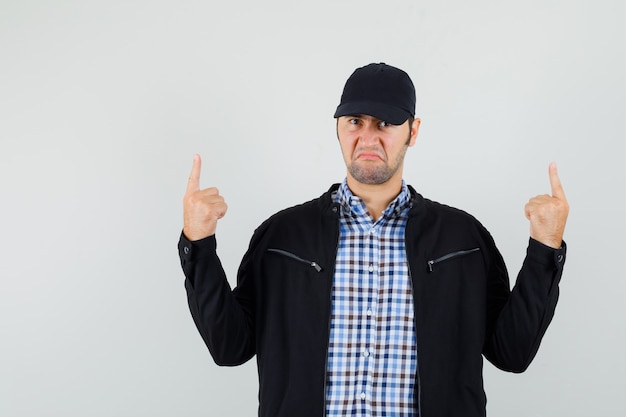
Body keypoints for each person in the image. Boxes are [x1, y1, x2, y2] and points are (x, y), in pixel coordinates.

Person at [178, 63, 569, 417]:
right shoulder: (282, 236)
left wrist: (544, 247)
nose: (367, 137)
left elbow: (512, 353)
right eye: (355, 121)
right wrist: (199, 244)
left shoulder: (463, 238)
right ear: (338, 128)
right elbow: (229, 348)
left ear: (412, 132)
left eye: (384, 124)